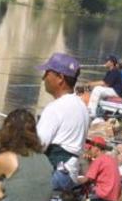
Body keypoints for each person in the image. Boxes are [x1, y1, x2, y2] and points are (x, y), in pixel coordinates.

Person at [35, 53, 89, 189]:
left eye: (47, 73)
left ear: (60, 78)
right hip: (71, 174)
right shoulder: (81, 107)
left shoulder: (55, 107)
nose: (43, 78)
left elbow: (37, 146)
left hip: (57, 174)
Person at [77, 137, 122, 201]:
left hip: (104, 193)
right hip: (114, 194)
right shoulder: (110, 159)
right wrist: (90, 161)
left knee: (77, 195)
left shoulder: (98, 160)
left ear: (96, 149)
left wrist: (73, 180)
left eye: (90, 148)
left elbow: (87, 179)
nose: (88, 151)